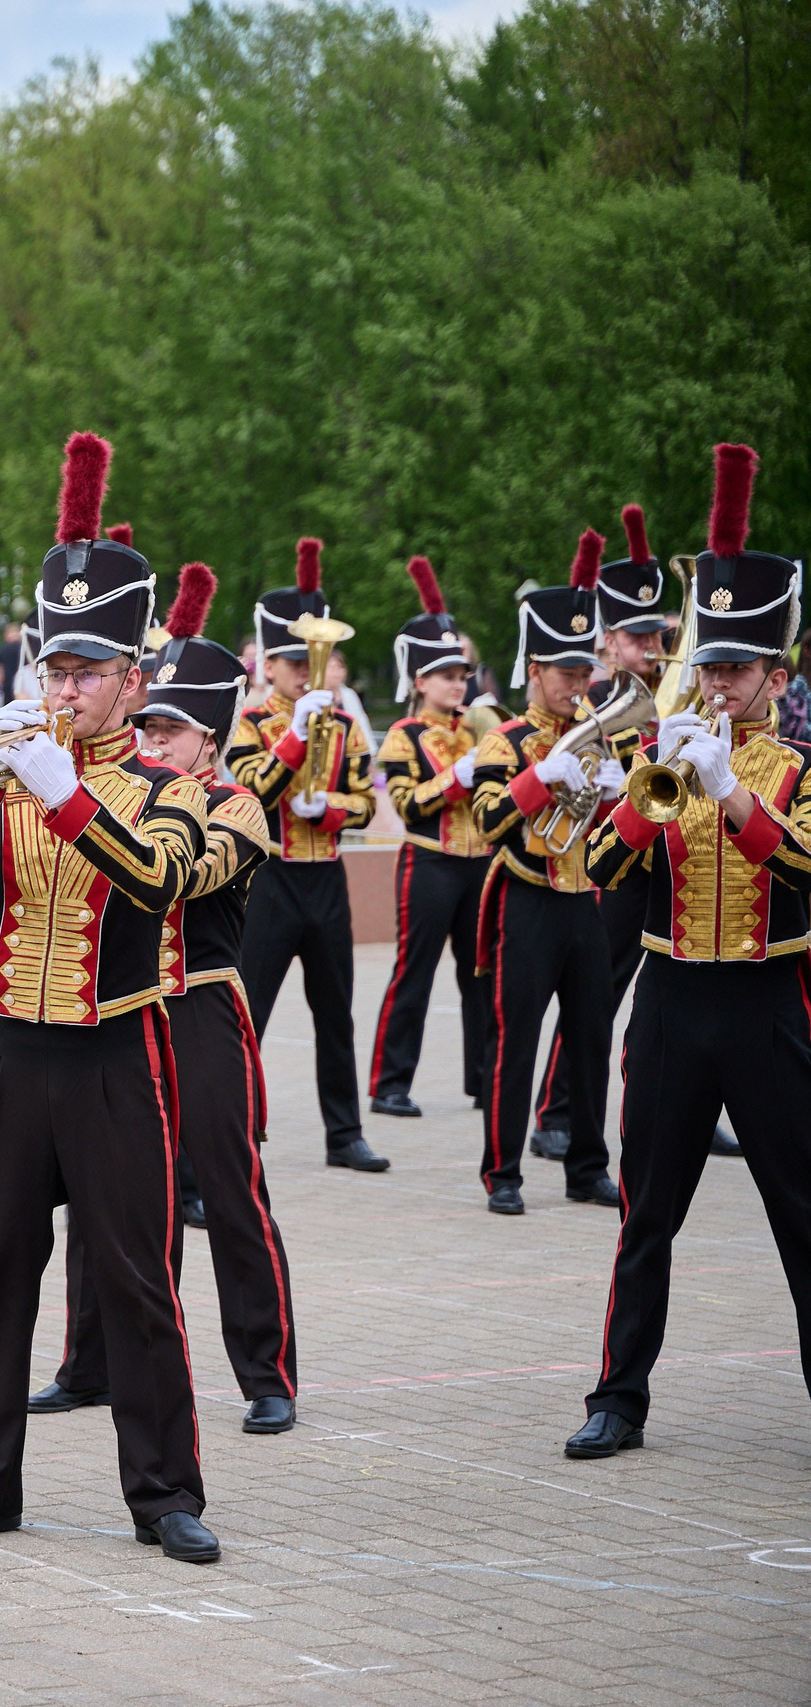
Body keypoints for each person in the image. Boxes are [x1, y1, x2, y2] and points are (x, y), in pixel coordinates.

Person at [0, 433, 219, 1564]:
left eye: (85, 672)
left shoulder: (169, 786)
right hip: (12, 1056)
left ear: (133, 680)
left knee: (136, 1280)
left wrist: (69, 795)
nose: (64, 689)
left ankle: (164, 1492)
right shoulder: (19, 768)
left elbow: (160, 877)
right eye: (54, 669)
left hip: (117, 1053)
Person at [570, 442, 811, 1457]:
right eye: (709, 665)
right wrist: (651, 788)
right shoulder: (659, 754)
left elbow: (803, 862)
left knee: (800, 1213)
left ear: (776, 674)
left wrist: (731, 791)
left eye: (737, 668)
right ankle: (618, 1397)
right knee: (646, 1214)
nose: (718, 682)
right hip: (670, 1002)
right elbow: (598, 866)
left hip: (768, 1006)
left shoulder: (797, 769)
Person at [34, 560, 300, 1436]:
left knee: (230, 1188)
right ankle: (88, 1363)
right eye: (148, 724)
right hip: (124, 1008)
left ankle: (267, 1373)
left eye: (171, 729)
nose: (153, 740)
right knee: (98, 1191)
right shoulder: (128, 792)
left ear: (211, 741)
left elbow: (178, 879)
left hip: (202, 1010)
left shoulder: (236, 807)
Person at [463, 530, 629, 1215]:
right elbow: (487, 818)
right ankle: (502, 1172)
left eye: (584, 671)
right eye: (565, 672)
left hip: (583, 901)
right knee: (515, 1040)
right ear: (534, 669)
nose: (579, 684)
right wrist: (540, 777)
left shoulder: (601, 732)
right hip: (525, 902)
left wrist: (617, 792)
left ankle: (588, 1166)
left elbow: (612, 833)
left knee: (591, 1038)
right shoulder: (503, 739)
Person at [230, 539, 385, 1171]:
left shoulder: (344, 725)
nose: (304, 671)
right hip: (269, 879)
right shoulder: (249, 723)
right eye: (292, 660)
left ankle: (344, 1134)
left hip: (326, 878)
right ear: (269, 664)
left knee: (336, 1013)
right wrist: (294, 739)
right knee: (249, 1015)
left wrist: (333, 810)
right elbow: (251, 792)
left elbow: (367, 803)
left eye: (309, 660)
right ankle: (236, 1136)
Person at [528, 505, 675, 1160]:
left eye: (656, 632)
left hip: (679, 856)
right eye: (636, 636)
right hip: (615, 864)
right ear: (608, 641)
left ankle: (693, 1104)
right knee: (597, 996)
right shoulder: (588, 701)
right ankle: (556, 1111)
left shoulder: (680, 693)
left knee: (679, 994)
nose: (651, 646)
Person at [366, 556, 494, 1121]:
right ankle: (390, 1084)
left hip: (480, 862)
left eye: (462, 675)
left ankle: (484, 1079)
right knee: (414, 971)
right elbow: (407, 805)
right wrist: (456, 777)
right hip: (430, 862)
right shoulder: (404, 734)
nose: (458, 683)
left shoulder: (479, 727)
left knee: (481, 973)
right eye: (446, 675)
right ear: (420, 681)